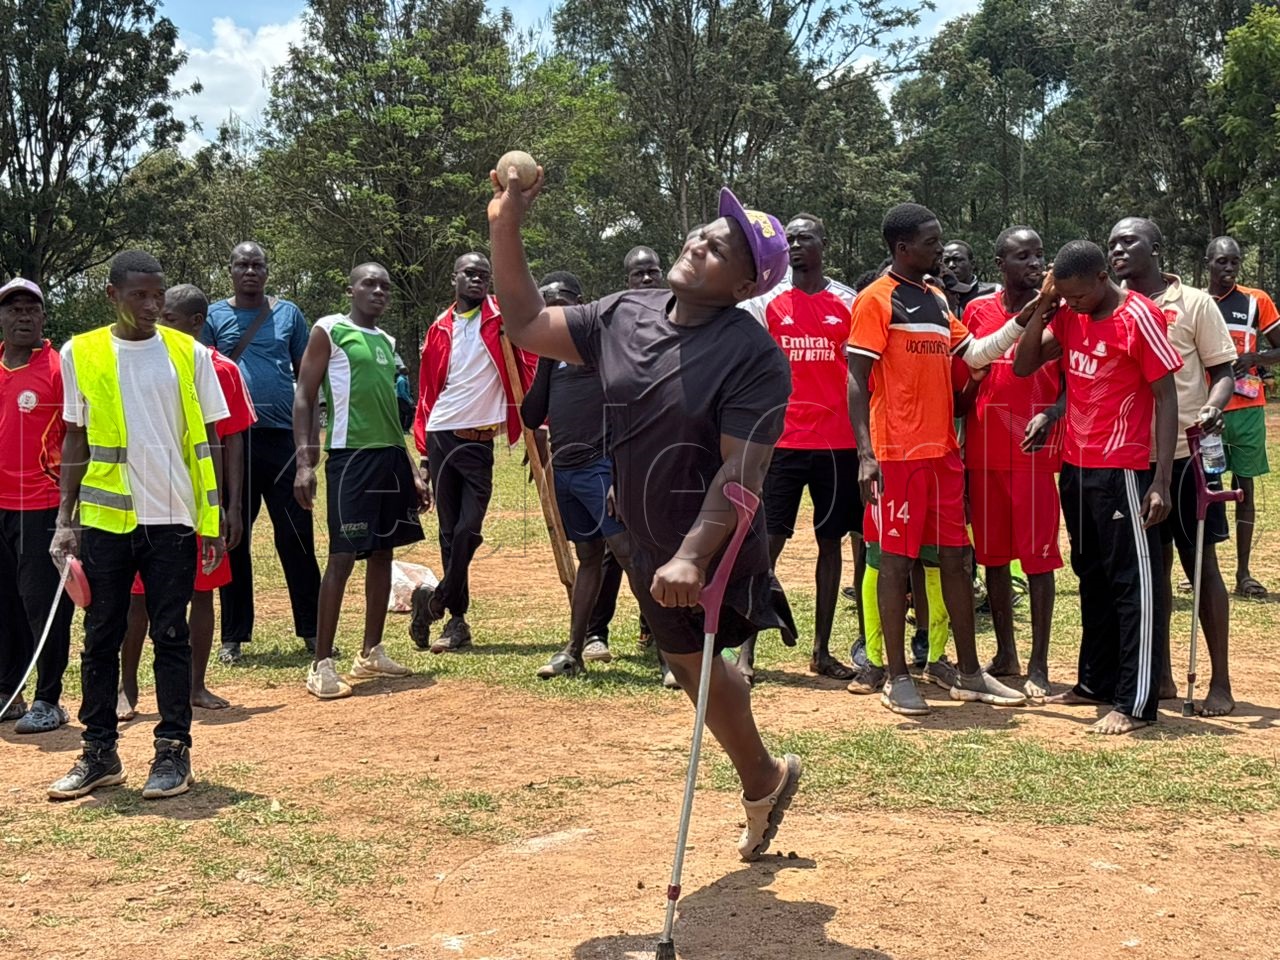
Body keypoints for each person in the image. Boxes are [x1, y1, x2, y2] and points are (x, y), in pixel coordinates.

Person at [490, 164, 802, 861]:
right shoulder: (623, 312)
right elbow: (528, 324)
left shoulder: (754, 358)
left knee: (694, 661)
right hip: (645, 529)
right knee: (688, 663)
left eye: (721, 250)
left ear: (745, 286)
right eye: (703, 233)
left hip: (713, 540)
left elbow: (742, 468)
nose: (699, 245)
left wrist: (694, 553)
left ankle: (757, 767)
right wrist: (505, 224)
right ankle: (764, 774)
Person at [49, 250, 229, 799]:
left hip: (173, 516)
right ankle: (99, 753)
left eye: (158, 295)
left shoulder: (189, 353)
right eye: (140, 296)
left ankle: (173, 752)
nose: (152, 305)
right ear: (112, 295)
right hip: (107, 520)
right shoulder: (81, 352)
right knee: (100, 636)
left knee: (170, 634)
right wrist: (64, 518)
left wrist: (215, 522)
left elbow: (211, 440)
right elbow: (75, 438)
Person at [847, 203, 1030, 716]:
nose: (940, 251)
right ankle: (897, 677)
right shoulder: (875, 301)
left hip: (942, 453)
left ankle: (969, 673)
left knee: (955, 556)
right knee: (896, 562)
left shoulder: (934, 299)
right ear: (903, 249)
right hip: (895, 454)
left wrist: (1026, 318)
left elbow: (973, 355)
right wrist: (865, 453)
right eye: (931, 242)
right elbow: (856, 379)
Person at [1014, 239, 1181, 735]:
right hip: (1076, 466)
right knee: (1092, 577)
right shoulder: (1067, 314)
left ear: (1103, 277)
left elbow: (1166, 397)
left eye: (1079, 296)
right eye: (1065, 295)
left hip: (1124, 470)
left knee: (1135, 586)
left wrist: (1162, 481)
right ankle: (1095, 682)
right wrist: (1045, 306)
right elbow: (1024, 366)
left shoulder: (1138, 317)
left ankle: (1136, 700)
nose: (1075, 304)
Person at [1112, 218, 1236, 717]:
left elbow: (1222, 371)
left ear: (1156, 249)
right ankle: (1158, 675)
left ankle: (1221, 683)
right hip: (1130, 457)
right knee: (1150, 573)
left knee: (1200, 563)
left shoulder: (1195, 304)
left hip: (1187, 454)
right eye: (1113, 242)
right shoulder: (1110, 304)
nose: (1118, 249)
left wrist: (1214, 406)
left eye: (1129, 242)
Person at [117, 285, 255, 718]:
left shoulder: (222, 369)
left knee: (202, 591)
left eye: (170, 318)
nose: (159, 322)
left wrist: (231, 507)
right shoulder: (143, 359)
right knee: (137, 597)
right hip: (149, 495)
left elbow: (232, 440)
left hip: (200, 503)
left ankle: (196, 686)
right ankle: (127, 689)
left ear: (197, 323)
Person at [737, 213, 860, 683]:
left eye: (805, 237)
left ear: (824, 243)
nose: (796, 245)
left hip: (837, 445)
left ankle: (822, 650)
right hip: (781, 444)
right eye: (789, 240)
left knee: (832, 546)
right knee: (764, 550)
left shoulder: (848, 302)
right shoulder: (765, 303)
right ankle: (746, 653)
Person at [295, 263, 426, 699]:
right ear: (350, 289)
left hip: (389, 456)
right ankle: (321, 664)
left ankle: (371, 652)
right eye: (369, 284)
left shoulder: (387, 342)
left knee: (383, 552)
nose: (378, 291)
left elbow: (391, 413)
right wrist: (304, 461)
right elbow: (305, 395)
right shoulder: (330, 330)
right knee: (343, 555)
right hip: (351, 458)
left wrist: (409, 468)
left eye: (385, 286)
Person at [202, 241, 321, 663]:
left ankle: (313, 630)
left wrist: (308, 453)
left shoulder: (288, 314)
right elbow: (206, 374)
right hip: (234, 440)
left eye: (258, 265)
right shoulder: (214, 316)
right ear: (230, 270)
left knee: (296, 538)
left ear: (267, 271)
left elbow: (308, 383)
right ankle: (233, 636)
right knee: (234, 537)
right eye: (242, 265)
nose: (250, 271)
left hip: (282, 440)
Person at [957, 227, 1063, 700]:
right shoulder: (977, 311)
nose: (1035, 263)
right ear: (1000, 262)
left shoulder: (1063, 314)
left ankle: (1039, 664)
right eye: (1023, 256)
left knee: (1039, 560)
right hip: (983, 454)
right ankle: (1006, 653)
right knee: (993, 557)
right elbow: (966, 378)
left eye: (1039, 255)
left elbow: (1069, 382)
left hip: (1033, 455)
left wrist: (1052, 413)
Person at [411, 253, 535, 653]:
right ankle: (456, 621)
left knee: (469, 529)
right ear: (455, 279)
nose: (478, 279)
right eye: (470, 273)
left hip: (480, 442)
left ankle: (437, 597)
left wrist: (536, 428)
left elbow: (529, 365)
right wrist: (425, 455)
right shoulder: (439, 328)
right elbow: (428, 392)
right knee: (449, 533)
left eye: (484, 274)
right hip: (442, 435)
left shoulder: (503, 319)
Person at [521, 271, 634, 678]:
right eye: (547, 305)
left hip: (600, 466)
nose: (554, 311)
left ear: (580, 304)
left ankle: (671, 655)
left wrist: (621, 473)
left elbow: (626, 410)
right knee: (588, 558)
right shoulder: (551, 356)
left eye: (562, 303)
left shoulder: (601, 349)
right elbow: (532, 415)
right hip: (565, 471)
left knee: (627, 555)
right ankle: (574, 649)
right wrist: (547, 361)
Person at [0, 278, 72, 734]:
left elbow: (78, 436)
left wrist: (71, 508)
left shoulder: (57, 367)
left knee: (41, 604)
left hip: (41, 505)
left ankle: (49, 698)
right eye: (13, 309)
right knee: (4, 603)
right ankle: (10, 692)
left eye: (32, 309)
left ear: (43, 317)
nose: (23, 316)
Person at [1205, 236, 1280, 600]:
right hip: (1206, 411)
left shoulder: (1256, 301)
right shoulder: (1196, 303)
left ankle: (1244, 572)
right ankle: (1205, 569)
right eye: (1222, 262)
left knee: (1244, 489)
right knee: (1205, 490)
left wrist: (1256, 360)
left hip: (1248, 410)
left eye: (1235, 262)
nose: (1229, 269)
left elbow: (1279, 348)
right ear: (1208, 263)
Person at [943, 240, 998, 314]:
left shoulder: (994, 291)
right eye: (946, 261)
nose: (951, 265)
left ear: (972, 264)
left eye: (958, 260)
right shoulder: (937, 293)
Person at [395, 361, 414, 432]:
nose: (407, 370)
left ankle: (402, 429)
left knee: (402, 415)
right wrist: (409, 401)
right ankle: (406, 429)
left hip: (400, 398)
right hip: (402, 399)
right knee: (409, 414)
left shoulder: (401, 379)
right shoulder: (402, 380)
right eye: (406, 369)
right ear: (403, 371)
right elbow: (403, 392)